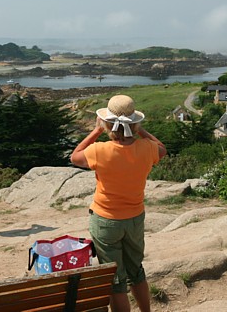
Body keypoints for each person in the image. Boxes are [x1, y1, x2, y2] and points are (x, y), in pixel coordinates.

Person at [71, 95, 166, 312]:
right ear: (134, 123)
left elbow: (74, 157)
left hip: (106, 220)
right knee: (136, 271)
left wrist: (96, 132)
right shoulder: (147, 148)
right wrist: (139, 130)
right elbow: (162, 148)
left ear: (106, 123)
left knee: (115, 280)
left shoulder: (100, 150)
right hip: (134, 219)